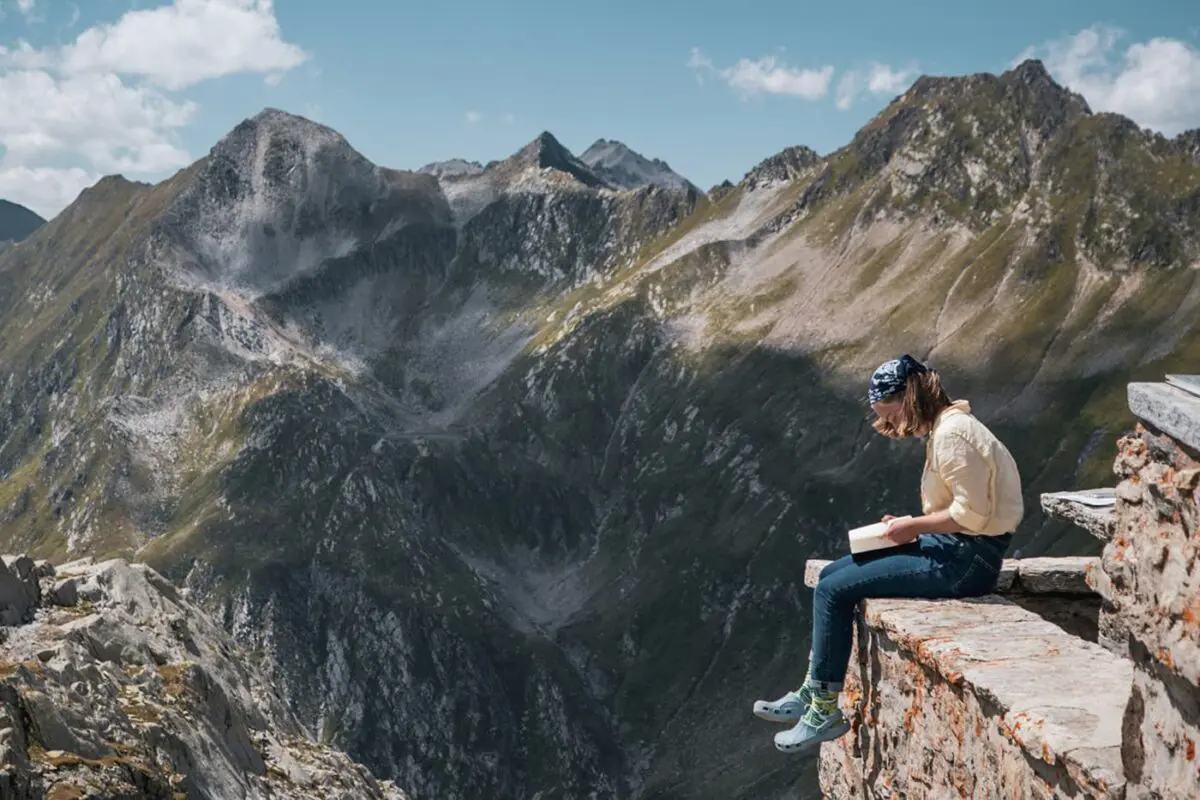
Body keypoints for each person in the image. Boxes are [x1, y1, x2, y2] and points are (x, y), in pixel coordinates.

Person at [752, 354, 1024, 754]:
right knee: (831, 577)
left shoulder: (953, 436)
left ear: (909, 396)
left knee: (833, 590)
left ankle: (823, 710)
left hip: (968, 562)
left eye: (889, 413)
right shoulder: (949, 429)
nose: (891, 424)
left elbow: (973, 514)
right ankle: (812, 691)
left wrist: (912, 527)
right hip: (961, 549)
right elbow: (963, 511)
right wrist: (909, 524)